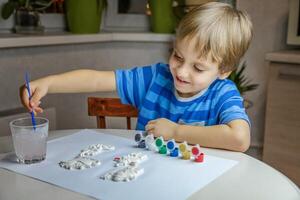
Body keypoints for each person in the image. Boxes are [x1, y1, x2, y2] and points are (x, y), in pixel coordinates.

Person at [20, 2, 253, 152]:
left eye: (198, 68)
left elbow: (240, 139)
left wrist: (176, 132)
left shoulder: (223, 92)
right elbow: (97, 79)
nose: (181, 72)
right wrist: (49, 83)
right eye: (177, 56)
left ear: (223, 71)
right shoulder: (156, 78)